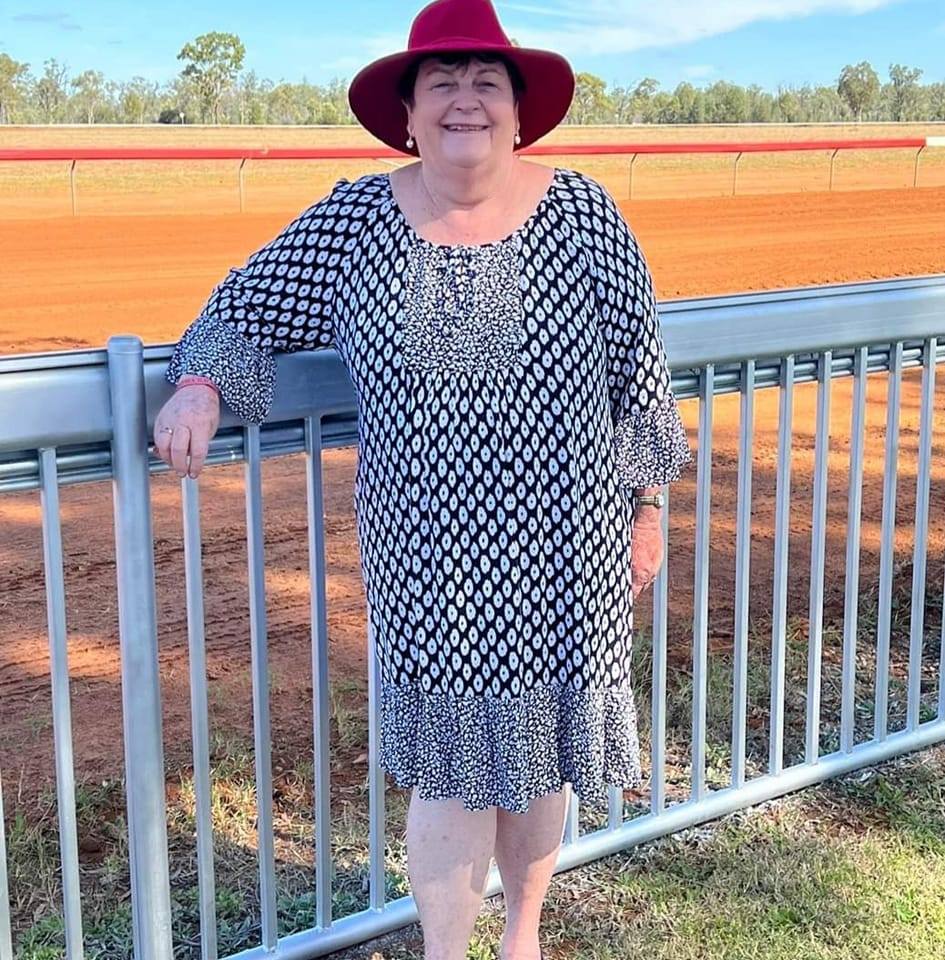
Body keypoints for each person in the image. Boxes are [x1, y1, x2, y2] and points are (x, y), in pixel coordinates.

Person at [155, 0, 693, 956]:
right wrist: (198, 386)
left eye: (486, 82)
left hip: (572, 547)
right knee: (448, 770)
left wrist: (646, 509)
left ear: (519, 112)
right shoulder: (355, 218)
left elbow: (637, 379)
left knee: (539, 754)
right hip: (426, 552)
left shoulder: (584, 212)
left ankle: (521, 936)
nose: (465, 101)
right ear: (405, 112)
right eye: (440, 82)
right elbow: (242, 306)